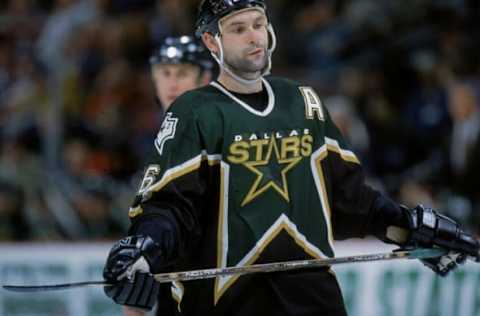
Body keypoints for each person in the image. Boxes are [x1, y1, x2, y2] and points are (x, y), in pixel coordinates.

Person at [103, 1, 480, 315]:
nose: (253, 36)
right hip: (228, 304)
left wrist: (409, 228)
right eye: (237, 29)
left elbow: (350, 201)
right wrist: (145, 248)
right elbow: (170, 207)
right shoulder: (193, 112)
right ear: (211, 42)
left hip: (313, 302)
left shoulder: (304, 102)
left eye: (258, 24)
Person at [123, 35, 213, 316]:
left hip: (215, 285)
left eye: (183, 73)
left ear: (205, 77)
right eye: (165, 73)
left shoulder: (218, 133)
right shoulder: (155, 137)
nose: (172, 83)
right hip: (171, 285)